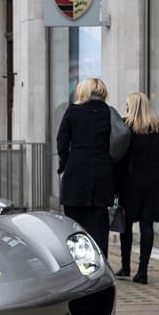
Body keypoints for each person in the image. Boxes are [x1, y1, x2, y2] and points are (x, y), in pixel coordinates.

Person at [115, 91, 159, 284]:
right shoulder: (158, 128)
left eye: (128, 105)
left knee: (126, 226)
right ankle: (143, 271)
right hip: (152, 183)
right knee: (147, 226)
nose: (126, 108)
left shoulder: (125, 126)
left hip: (129, 183)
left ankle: (125, 266)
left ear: (133, 107)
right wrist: (156, 172)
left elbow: (119, 158)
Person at [56, 77, 113, 255]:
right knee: (100, 225)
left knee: (74, 225)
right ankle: (100, 264)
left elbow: (62, 141)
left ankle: (78, 265)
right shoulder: (110, 113)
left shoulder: (73, 112)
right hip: (102, 174)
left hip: (76, 172)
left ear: (84, 92)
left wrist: (64, 164)